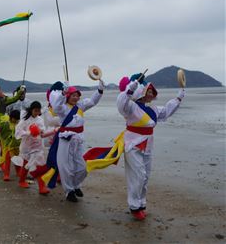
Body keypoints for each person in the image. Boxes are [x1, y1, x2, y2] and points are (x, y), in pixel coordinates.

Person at [117, 74, 184, 220]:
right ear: (141, 91)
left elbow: (166, 111)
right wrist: (130, 88)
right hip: (133, 145)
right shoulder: (131, 106)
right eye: (148, 90)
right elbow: (121, 104)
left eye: (152, 91)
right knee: (138, 175)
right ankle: (134, 206)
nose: (151, 93)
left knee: (145, 176)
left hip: (147, 145)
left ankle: (141, 203)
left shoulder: (152, 108)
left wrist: (178, 98)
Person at [49, 79, 105, 202]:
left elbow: (93, 101)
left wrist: (99, 89)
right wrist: (63, 92)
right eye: (73, 95)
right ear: (68, 96)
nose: (75, 98)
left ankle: (76, 185)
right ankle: (69, 191)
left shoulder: (81, 106)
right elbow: (56, 106)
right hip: (66, 139)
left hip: (79, 140)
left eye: (77, 95)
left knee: (81, 167)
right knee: (66, 166)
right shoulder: (63, 108)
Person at [14, 102, 58, 193]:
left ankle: (42, 187)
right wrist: (29, 132)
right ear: (31, 110)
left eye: (38, 111)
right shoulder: (24, 121)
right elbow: (17, 133)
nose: (37, 113)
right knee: (26, 165)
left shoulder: (40, 120)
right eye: (35, 110)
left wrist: (54, 131)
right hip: (27, 147)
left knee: (39, 166)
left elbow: (42, 134)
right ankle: (22, 181)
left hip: (37, 147)